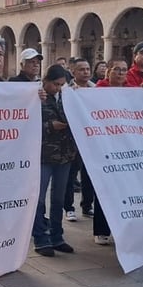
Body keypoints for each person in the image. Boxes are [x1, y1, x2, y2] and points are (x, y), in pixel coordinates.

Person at [33, 65, 78, 257]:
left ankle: (57, 236)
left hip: (65, 154)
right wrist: (50, 125)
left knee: (58, 198)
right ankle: (41, 238)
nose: (58, 88)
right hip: (43, 154)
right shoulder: (36, 94)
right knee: (39, 198)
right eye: (55, 84)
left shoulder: (67, 96)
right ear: (46, 80)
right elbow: (27, 120)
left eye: (61, 84)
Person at [92, 59, 132, 245]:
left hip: (126, 146)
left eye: (124, 70)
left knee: (125, 190)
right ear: (108, 71)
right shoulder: (97, 92)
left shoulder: (133, 92)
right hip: (105, 146)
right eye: (117, 69)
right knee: (105, 189)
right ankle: (101, 229)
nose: (121, 73)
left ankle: (123, 228)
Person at [64, 59, 96, 221]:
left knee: (89, 175)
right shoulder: (67, 90)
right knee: (71, 174)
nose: (85, 72)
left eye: (87, 68)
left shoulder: (95, 89)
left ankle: (87, 205)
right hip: (72, 140)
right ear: (73, 72)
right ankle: (69, 207)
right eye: (81, 69)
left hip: (90, 139)